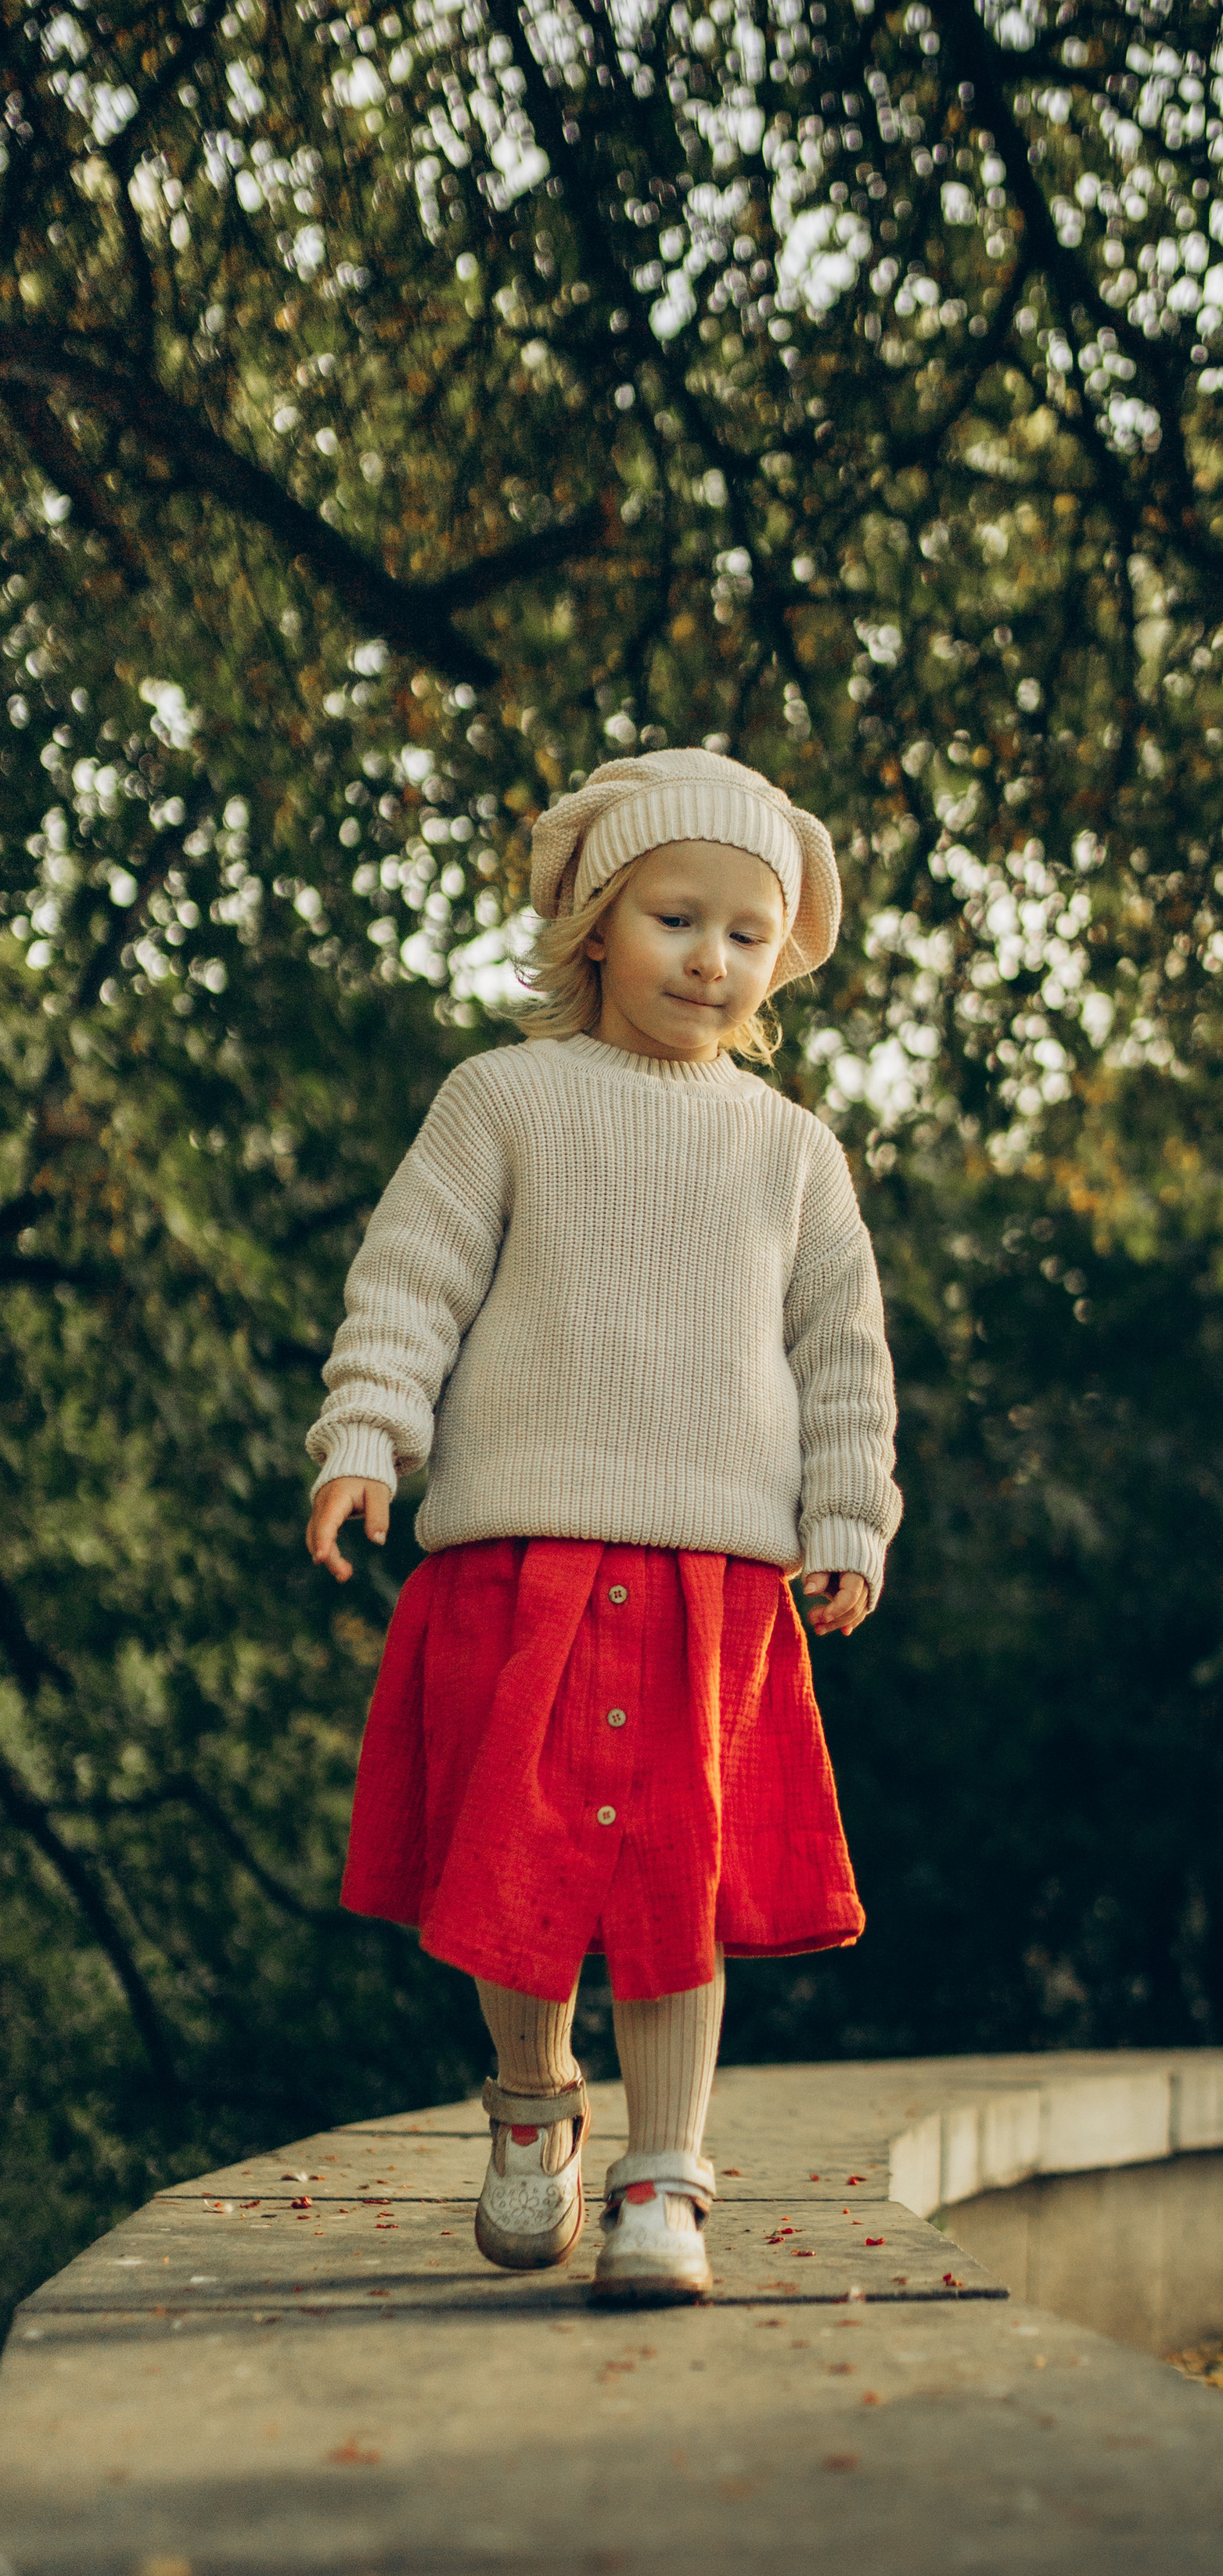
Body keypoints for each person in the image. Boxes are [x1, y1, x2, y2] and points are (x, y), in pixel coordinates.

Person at [302, 750, 899, 2308]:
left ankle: (665, 2179)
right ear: (593, 927)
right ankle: (532, 2100)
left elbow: (841, 1355)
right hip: (521, 1556)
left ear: (779, 957)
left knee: (675, 1893)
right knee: (519, 1874)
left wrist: (847, 1514)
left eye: (746, 933)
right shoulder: (503, 1098)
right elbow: (412, 1279)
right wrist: (365, 1434)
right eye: (673, 919)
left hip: (715, 1575)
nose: (710, 958)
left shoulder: (790, 1148)